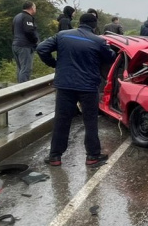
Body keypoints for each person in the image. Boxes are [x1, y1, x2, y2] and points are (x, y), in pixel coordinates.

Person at [37, 11, 116, 167]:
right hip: (88, 87)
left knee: (62, 120)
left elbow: (41, 48)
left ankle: (55, 157)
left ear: (80, 22)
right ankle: (92, 156)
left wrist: (54, 64)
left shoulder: (62, 35)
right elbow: (111, 57)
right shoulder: (97, 41)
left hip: (65, 86)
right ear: (94, 26)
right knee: (90, 121)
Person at [11, 2, 38, 83]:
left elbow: (13, 30)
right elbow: (29, 31)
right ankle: (24, 90)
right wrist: (35, 41)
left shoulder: (17, 17)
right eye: (35, 7)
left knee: (20, 68)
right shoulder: (27, 17)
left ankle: (19, 87)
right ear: (32, 8)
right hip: (25, 46)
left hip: (16, 44)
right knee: (26, 69)